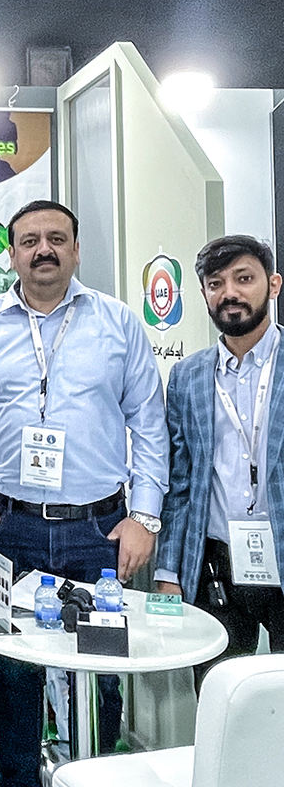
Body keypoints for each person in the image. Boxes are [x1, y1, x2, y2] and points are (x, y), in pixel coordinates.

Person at [0, 199, 168, 787]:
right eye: (29, 240)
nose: (43, 250)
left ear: (76, 249)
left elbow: (149, 423)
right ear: (11, 253)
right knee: (16, 664)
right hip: (9, 526)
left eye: (56, 238)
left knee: (100, 666)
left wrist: (144, 517)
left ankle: (96, 776)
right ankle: (20, 777)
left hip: (99, 528)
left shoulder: (118, 322)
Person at [156, 235, 284, 678]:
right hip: (216, 561)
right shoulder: (187, 376)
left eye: (243, 279)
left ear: (273, 285)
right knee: (217, 694)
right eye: (216, 284)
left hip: (280, 548)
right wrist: (168, 570)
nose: (229, 293)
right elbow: (179, 483)